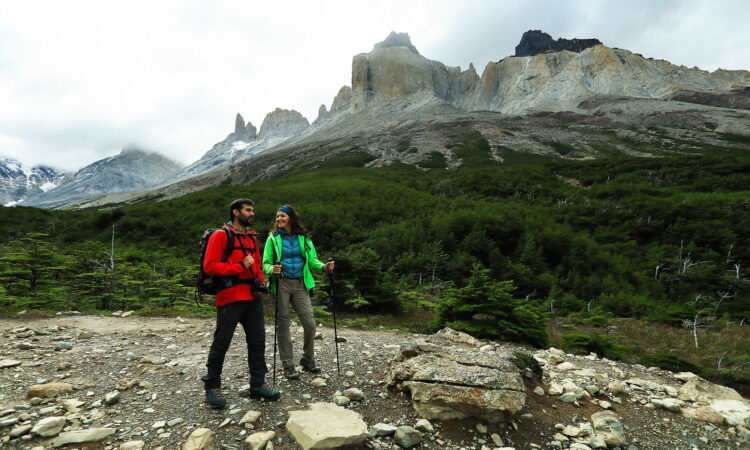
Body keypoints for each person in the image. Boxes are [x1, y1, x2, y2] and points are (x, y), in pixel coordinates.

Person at [201, 198, 280, 408]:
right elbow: (210, 266)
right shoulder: (220, 235)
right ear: (236, 212)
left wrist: (261, 286)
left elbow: (255, 267)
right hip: (230, 296)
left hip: (252, 298)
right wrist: (239, 266)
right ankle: (212, 385)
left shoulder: (251, 237)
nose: (252, 213)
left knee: (257, 341)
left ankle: (258, 384)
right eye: (248, 210)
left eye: (253, 210)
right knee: (222, 341)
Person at [262, 204, 334, 380]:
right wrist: (272, 269)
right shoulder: (273, 238)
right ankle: (288, 364)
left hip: (301, 284)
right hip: (281, 284)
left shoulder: (304, 238)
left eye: (282, 216)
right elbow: (265, 263)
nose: (279, 219)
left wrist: (324, 267)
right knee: (283, 324)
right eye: (277, 216)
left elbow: (313, 261)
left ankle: (307, 359)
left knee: (310, 323)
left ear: (291, 218)